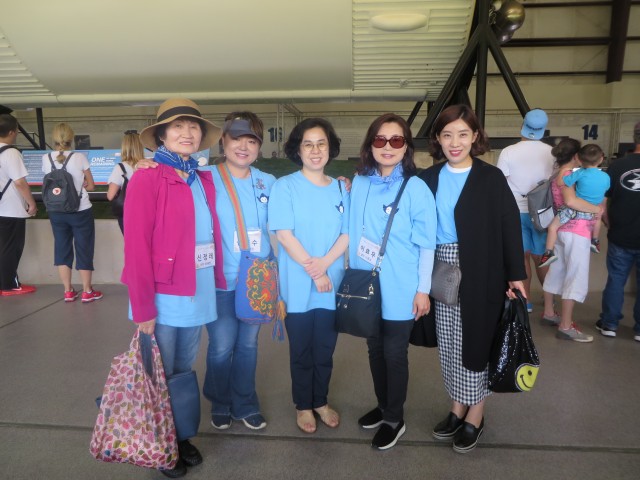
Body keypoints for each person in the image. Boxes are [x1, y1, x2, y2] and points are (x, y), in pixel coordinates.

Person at [122, 98, 224, 478]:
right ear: (162, 135)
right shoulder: (148, 177)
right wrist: (143, 308)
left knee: (182, 369)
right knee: (159, 372)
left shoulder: (202, 177)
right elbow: (136, 246)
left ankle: (179, 436)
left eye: (193, 126)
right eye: (178, 126)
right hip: (163, 295)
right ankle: (160, 444)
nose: (187, 133)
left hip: (196, 289)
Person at [420, 104, 526, 454]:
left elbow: (509, 225)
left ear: (475, 137)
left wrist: (516, 274)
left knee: (477, 342)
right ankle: (457, 407)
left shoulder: (490, 177)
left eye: (463, 134)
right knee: (450, 341)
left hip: (483, 269)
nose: (455, 142)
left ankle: (476, 414)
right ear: (437, 138)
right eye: (447, 134)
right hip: (441, 268)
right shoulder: (428, 178)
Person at [349, 113, 436, 450]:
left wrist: (423, 290)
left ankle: (394, 419)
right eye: (380, 139)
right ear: (370, 145)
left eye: (396, 140)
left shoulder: (416, 188)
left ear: (406, 147)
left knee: (394, 352)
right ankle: (384, 405)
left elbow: (427, 244)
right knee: (374, 349)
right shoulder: (359, 183)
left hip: (401, 286)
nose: (388, 146)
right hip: (367, 285)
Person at [268, 118, 349, 435]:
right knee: (301, 350)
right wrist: (316, 272)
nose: (315, 151)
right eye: (308, 144)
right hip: (298, 285)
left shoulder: (341, 188)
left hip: (331, 284)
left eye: (321, 144)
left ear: (330, 148)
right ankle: (303, 405)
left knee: (325, 350)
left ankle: (320, 401)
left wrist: (325, 266)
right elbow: (284, 235)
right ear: (298, 150)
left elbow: (347, 234)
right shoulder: (284, 186)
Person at [200, 112, 275, 431]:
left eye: (251, 141)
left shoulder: (268, 182)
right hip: (220, 281)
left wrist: (341, 185)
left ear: (259, 146)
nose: (243, 147)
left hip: (256, 281)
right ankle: (220, 401)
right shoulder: (204, 178)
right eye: (236, 138)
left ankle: (245, 403)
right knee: (221, 347)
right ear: (223, 141)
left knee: (248, 345)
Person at [540, 138, 601, 342]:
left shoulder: (557, 173)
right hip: (577, 231)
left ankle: (549, 313)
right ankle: (566, 326)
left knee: (557, 271)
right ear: (576, 156)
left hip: (561, 230)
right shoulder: (568, 175)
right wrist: (596, 209)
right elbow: (571, 201)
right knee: (575, 275)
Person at [497, 109, 554, 313]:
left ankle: (525, 301)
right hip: (543, 213)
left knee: (521, 257)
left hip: (514, 212)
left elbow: (500, 185)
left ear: (523, 125)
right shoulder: (551, 152)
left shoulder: (508, 152)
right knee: (542, 257)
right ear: (543, 129)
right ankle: (549, 304)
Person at [42, 123, 102, 303]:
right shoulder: (79, 157)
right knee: (84, 248)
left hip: (56, 211)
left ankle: (68, 291)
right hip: (80, 210)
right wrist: (82, 185)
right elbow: (91, 186)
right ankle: (87, 291)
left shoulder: (46, 158)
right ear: (71, 138)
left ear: (54, 138)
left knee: (62, 247)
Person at [596, 121, 640, 342]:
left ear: (634, 137)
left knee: (616, 280)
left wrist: (607, 222)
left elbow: (602, 202)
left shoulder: (618, 165)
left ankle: (609, 324)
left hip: (620, 234)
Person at [539, 144, 609, 267]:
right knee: (598, 219)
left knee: (552, 227)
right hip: (591, 214)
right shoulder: (606, 176)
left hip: (574, 212)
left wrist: (563, 171)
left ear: (579, 158)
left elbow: (561, 183)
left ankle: (548, 253)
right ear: (601, 159)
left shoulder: (579, 173)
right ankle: (595, 240)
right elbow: (605, 191)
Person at [0, 114, 37, 296]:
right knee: (11, 248)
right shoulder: (11, 153)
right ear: (11, 132)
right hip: (11, 208)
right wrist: (31, 204)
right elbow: (20, 182)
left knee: (2, 246)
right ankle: (9, 285)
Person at [106, 130, 145, 234]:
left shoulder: (120, 168)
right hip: (146, 212)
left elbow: (110, 196)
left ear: (124, 147)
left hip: (127, 214)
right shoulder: (148, 166)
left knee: (131, 242)